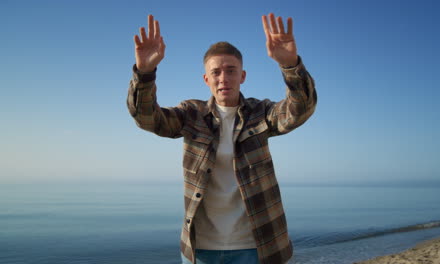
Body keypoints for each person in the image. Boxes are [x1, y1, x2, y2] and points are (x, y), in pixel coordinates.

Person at [127, 13, 317, 264]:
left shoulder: (261, 113)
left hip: (260, 246)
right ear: (206, 79)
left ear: (243, 76)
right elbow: (147, 118)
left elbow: (299, 110)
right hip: (201, 249)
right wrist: (145, 72)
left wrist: (290, 65)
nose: (223, 78)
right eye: (215, 72)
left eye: (231, 70)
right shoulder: (191, 115)